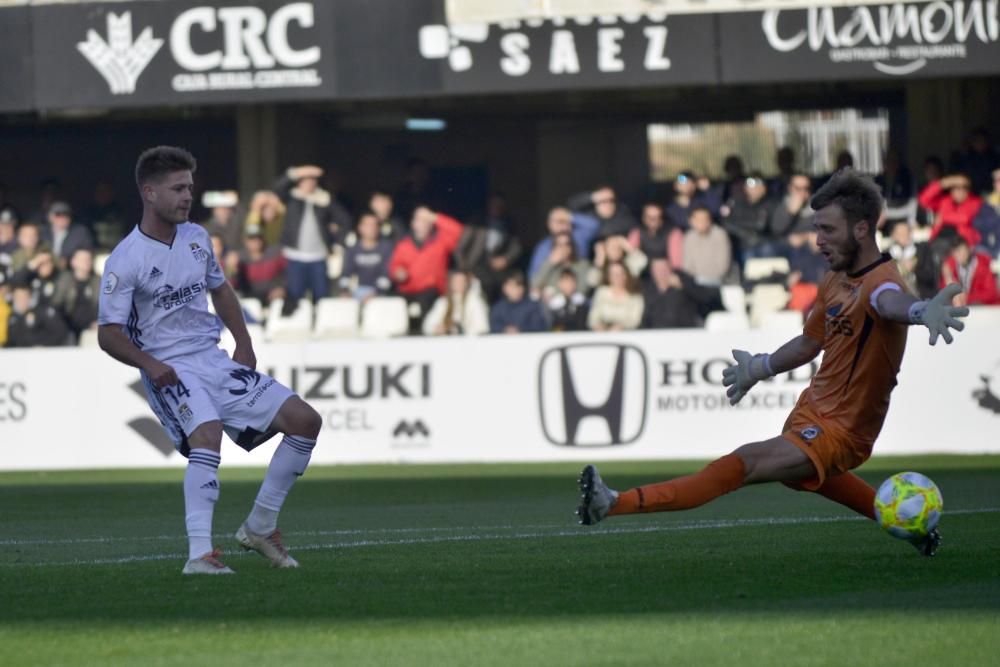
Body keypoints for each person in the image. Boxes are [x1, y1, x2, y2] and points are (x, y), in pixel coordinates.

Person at [576, 168, 969, 557]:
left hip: (844, 431)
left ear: (862, 229)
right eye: (817, 229)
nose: (818, 241)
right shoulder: (836, 278)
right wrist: (758, 368)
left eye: (828, 230)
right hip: (811, 412)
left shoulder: (882, 282)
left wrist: (919, 310)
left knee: (741, 464)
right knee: (812, 478)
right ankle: (912, 530)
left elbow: (889, 302)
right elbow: (808, 343)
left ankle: (613, 502)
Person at [97, 146, 322, 575]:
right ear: (149, 192)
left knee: (305, 421)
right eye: (178, 188)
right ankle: (199, 555)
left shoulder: (197, 238)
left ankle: (260, 526)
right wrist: (149, 363)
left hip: (213, 359)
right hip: (170, 367)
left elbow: (220, 289)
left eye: (189, 187)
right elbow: (107, 334)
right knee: (208, 433)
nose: (187, 196)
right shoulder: (126, 259)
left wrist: (244, 341)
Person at [388, 205, 464, 333]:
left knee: (427, 301)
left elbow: (458, 231)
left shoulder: (440, 242)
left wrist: (434, 217)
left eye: (425, 221)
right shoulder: (404, 245)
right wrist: (398, 272)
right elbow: (395, 265)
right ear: (413, 224)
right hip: (408, 289)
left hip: (432, 291)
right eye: (419, 220)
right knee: (393, 302)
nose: (422, 224)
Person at [421, 271, 490, 336]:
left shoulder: (475, 301)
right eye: (456, 281)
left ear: (466, 283)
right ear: (451, 284)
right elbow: (427, 326)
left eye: (461, 281)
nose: (459, 284)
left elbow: (482, 327)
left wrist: (460, 331)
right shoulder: (442, 302)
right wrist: (437, 329)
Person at [940, 237, 1000, 306]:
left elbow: (991, 294)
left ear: (969, 249)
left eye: (961, 250)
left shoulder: (982, 266)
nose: (959, 254)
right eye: (955, 251)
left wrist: (967, 297)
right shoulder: (950, 267)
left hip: (984, 309)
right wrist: (948, 278)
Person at [587, 260, 644, 332]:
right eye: (614, 274)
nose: (617, 277)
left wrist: (621, 326)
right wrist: (598, 326)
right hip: (602, 334)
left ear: (626, 275)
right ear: (609, 276)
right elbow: (593, 317)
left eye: (621, 273)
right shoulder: (601, 292)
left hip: (627, 334)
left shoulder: (635, 296)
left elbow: (635, 320)